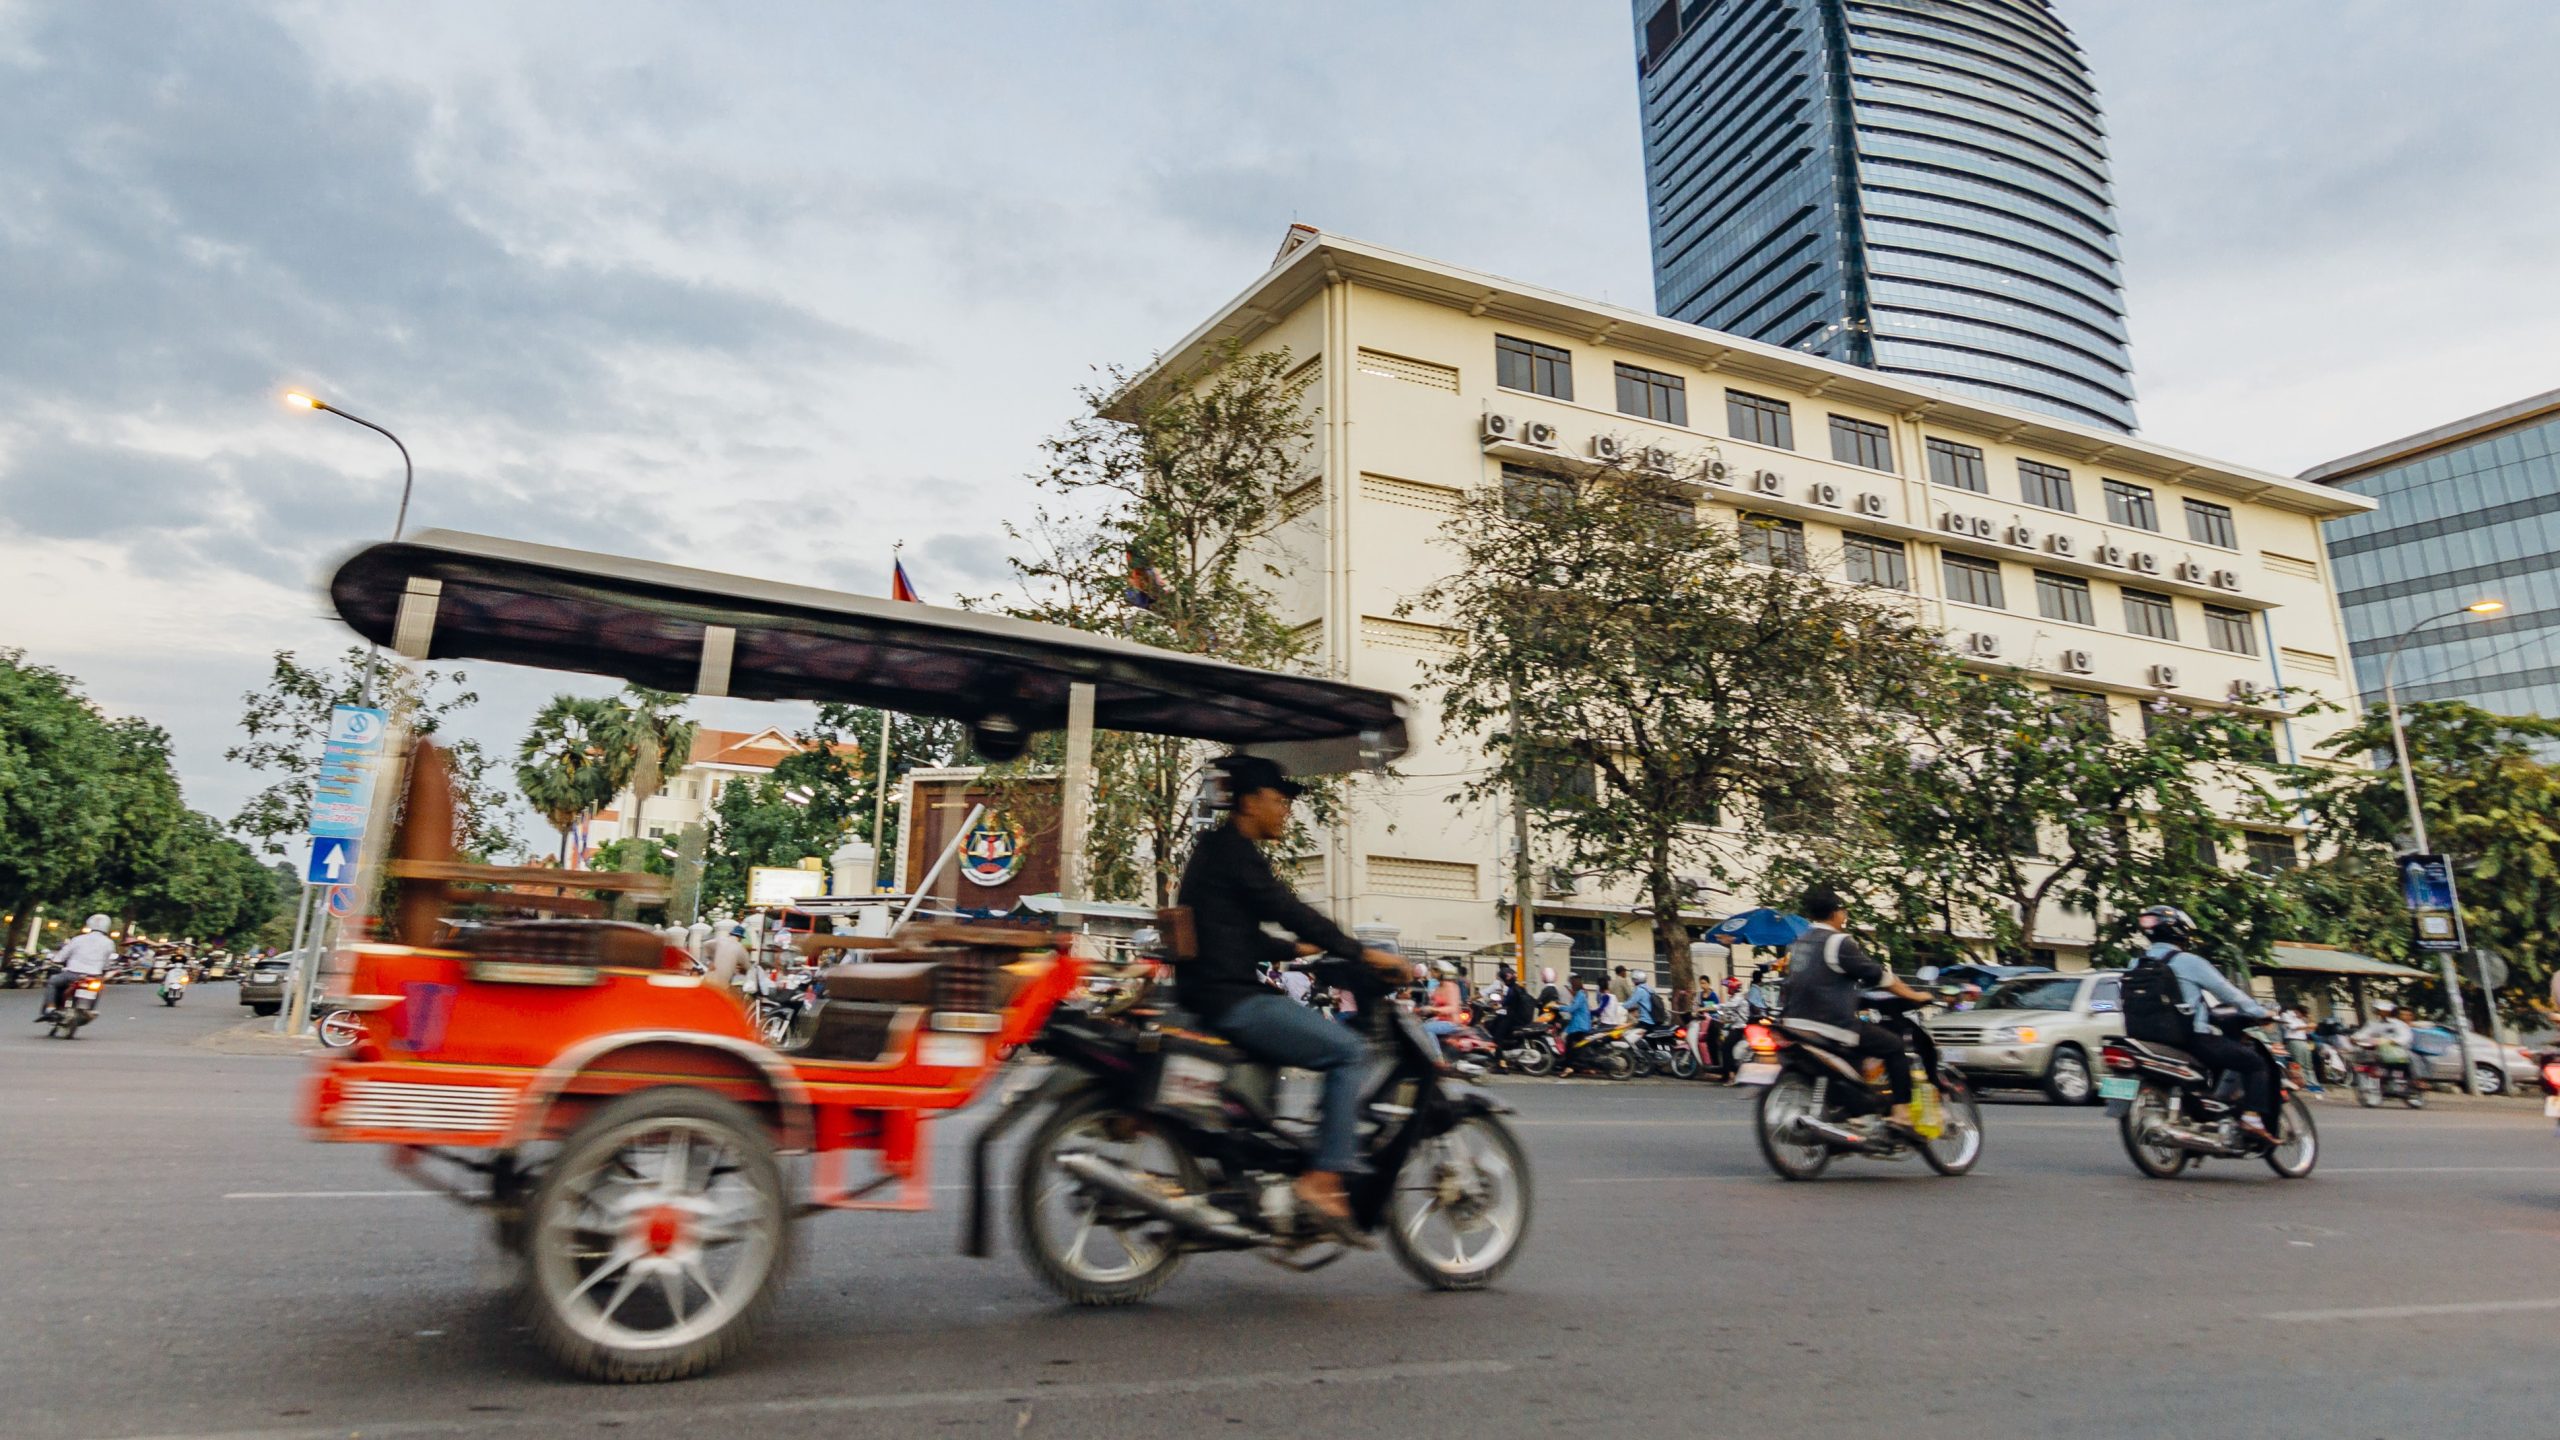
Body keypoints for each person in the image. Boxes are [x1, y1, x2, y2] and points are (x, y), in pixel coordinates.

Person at [1174, 755, 1405, 1226]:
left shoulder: (1214, 850)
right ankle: (1323, 1177)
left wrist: (1294, 948)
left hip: (1211, 990)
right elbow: (1287, 907)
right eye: (1279, 800)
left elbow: (1235, 934)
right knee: (1348, 1050)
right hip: (1232, 999)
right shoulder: (1237, 853)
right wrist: (1361, 953)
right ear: (1249, 802)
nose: (1285, 810)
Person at [1779, 886, 1936, 1133]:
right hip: (1830, 1025)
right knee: (1894, 1045)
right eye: (1843, 912)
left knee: (1862, 1051)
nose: (1845, 917)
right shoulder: (1838, 941)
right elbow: (1880, 977)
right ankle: (1901, 1113)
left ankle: (1858, 1109)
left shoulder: (1798, 944)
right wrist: (1915, 995)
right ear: (1836, 914)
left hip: (1793, 1024)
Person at [2125, 904, 2279, 1145]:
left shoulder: (2135, 964)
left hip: (2148, 1039)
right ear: (2180, 932)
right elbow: (2228, 993)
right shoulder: (2189, 961)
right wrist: (2260, 1012)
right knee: (2255, 1063)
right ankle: (2252, 1117)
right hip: (2190, 1039)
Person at [38, 915, 117, 1021]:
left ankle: (50, 1008)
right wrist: (104, 970)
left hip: (72, 974)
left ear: (89, 924)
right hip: (93, 976)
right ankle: (91, 1009)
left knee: (53, 981)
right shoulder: (109, 942)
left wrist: (55, 960)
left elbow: (62, 956)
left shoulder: (78, 939)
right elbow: (108, 962)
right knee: (99, 988)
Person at [2351, 1000, 2416, 1092]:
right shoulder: (2373, 1023)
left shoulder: (2398, 1024)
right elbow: (2364, 1033)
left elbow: (2405, 1037)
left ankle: (2404, 1085)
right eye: (2379, 1010)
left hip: (2396, 1053)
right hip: (2378, 1051)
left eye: (2383, 1010)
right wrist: (2355, 1038)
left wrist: (2394, 1041)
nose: (2381, 1012)